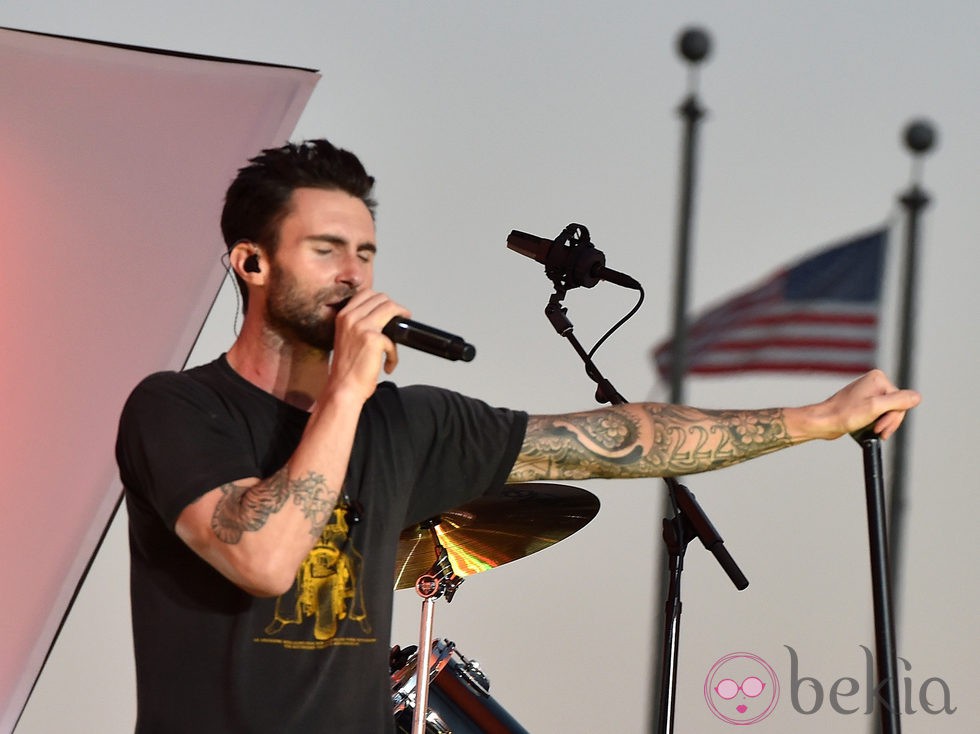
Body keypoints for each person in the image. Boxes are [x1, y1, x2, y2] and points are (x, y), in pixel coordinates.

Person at [115, 138, 919, 733]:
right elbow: (261, 557)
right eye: (326, 251)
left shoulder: (404, 422)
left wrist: (814, 420)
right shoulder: (178, 411)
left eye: (365, 253)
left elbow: (619, 438)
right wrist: (348, 392)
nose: (355, 275)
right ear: (252, 264)